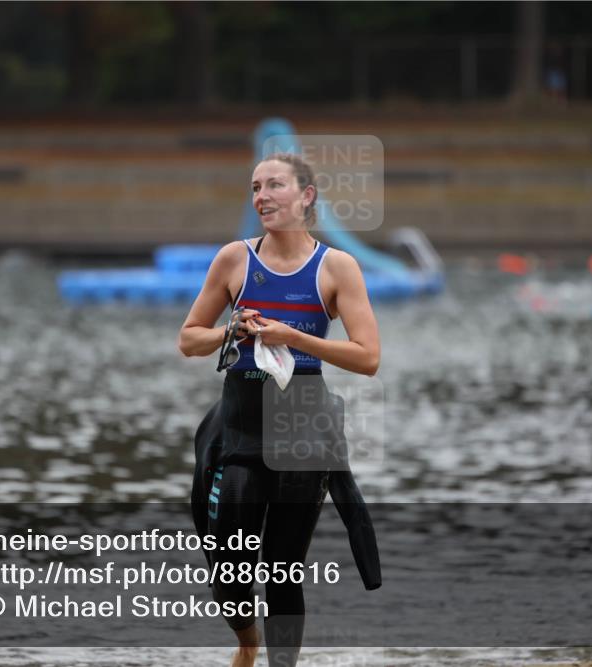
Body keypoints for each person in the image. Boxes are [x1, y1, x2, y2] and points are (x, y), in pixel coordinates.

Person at [178, 153, 381, 667]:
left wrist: (294, 337)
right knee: (229, 568)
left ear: (306, 195)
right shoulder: (234, 260)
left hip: (302, 431)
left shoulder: (336, 267)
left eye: (274, 185)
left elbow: (368, 357)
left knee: (283, 568)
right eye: (255, 187)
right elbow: (188, 339)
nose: (261, 196)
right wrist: (231, 330)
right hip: (240, 429)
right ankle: (248, 643)